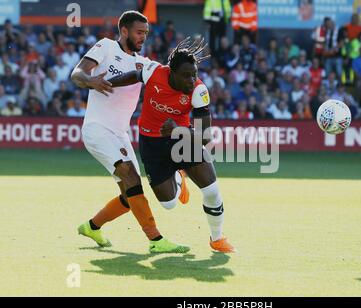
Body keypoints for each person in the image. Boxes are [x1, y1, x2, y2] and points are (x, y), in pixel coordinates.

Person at [70, 10, 188, 253]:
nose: (143, 37)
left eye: (145, 33)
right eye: (139, 32)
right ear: (124, 31)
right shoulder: (105, 46)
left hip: (120, 135)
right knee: (131, 177)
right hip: (97, 130)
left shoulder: (144, 65)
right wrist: (90, 81)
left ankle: (92, 227)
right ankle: (156, 240)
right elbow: (77, 73)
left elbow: (170, 76)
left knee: (130, 195)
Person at [108, 37, 236, 253]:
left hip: (185, 140)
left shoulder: (198, 91)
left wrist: (178, 130)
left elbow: (205, 135)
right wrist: (109, 83)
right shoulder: (154, 73)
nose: (191, 80)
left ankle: (217, 238)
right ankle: (179, 177)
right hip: (152, 143)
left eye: (194, 74)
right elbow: (134, 75)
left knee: (212, 190)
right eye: (186, 76)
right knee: (168, 204)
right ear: (171, 72)